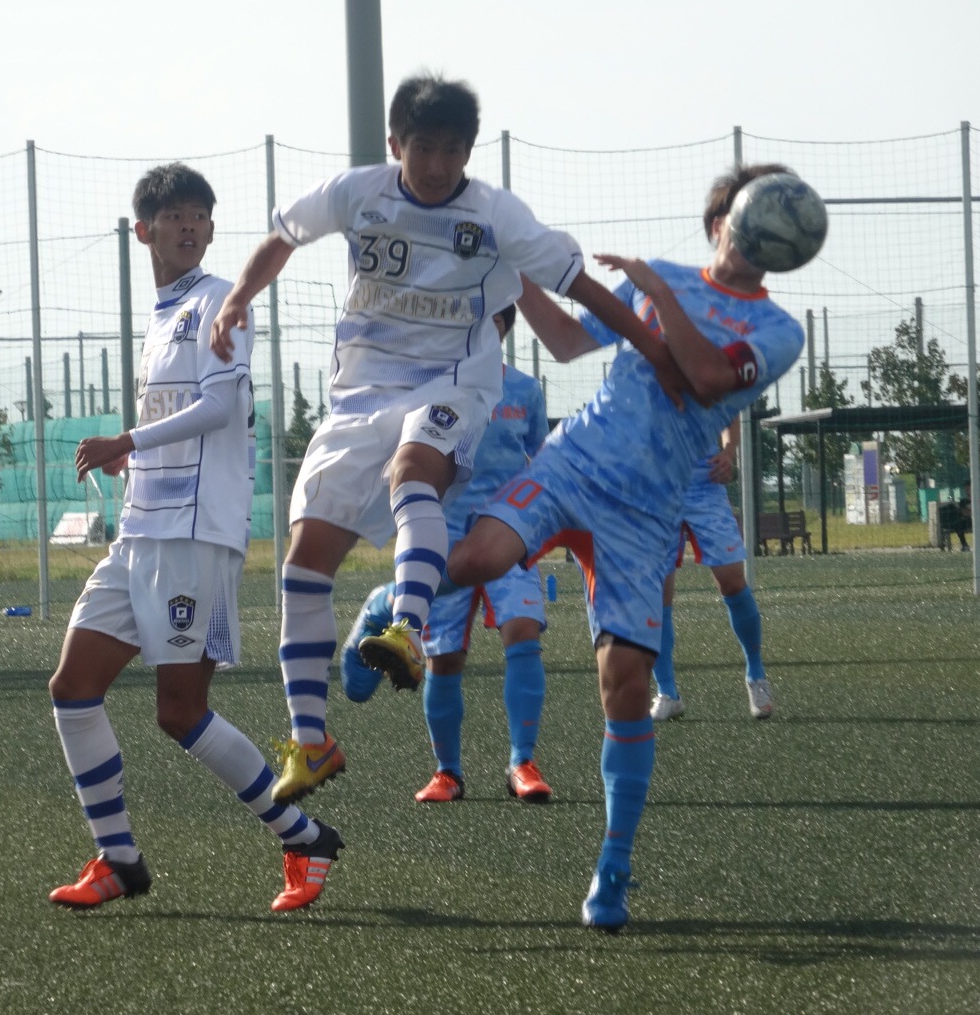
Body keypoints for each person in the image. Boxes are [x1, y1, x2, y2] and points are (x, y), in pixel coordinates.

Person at [209, 73, 681, 804]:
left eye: (451, 150)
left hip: (455, 383)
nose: (436, 165)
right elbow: (282, 238)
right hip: (362, 392)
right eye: (422, 148)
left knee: (413, 471)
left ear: (468, 152)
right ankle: (311, 742)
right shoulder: (357, 192)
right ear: (395, 144)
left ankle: (406, 628)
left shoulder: (495, 214)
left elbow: (579, 293)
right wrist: (238, 298)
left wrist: (659, 353)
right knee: (304, 560)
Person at [447, 163, 807, 931]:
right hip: (575, 462)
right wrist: (516, 265)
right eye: (745, 222)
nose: (751, 241)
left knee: (625, 685)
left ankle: (613, 866)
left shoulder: (779, 332)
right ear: (720, 224)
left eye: (770, 233)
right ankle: (386, 608)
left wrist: (657, 292)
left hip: (648, 511)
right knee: (475, 558)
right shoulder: (660, 277)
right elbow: (567, 341)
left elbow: (706, 379)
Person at [47, 164, 342, 915]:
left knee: (180, 711)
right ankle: (118, 858)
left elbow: (218, 408)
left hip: (193, 534)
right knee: (72, 688)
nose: (188, 225)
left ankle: (304, 836)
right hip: (139, 533)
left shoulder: (221, 301)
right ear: (143, 230)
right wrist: (135, 462)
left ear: (211, 229)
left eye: (199, 215)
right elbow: (181, 418)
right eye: (174, 215)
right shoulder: (161, 317)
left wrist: (127, 440)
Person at [341, 306, 554, 804]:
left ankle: (523, 763)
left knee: (523, 631)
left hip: (507, 531)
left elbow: (543, 459)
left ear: (503, 328)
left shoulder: (524, 390)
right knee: (444, 658)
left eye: (492, 320)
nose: (482, 328)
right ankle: (448, 773)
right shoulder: (428, 383)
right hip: (445, 534)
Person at [650, 418, 774, 722]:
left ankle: (756, 675)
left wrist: (729, 452)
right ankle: (667, 692)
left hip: (705, 485)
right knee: (656, 593)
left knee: (732, 582)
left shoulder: (705, 382)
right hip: (656, 490)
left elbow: (728, 412)